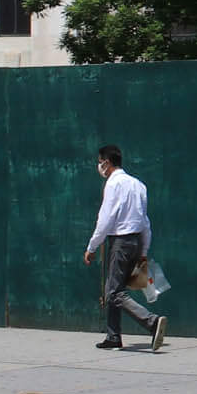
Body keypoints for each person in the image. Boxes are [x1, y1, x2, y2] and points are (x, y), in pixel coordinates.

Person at [83, 144, 167, 352]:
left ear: (107, 163)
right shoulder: (138, 185)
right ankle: (113, 336)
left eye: (100, 161)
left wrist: (92, 246)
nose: (99, 166)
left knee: (114, 293)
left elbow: (106, 219)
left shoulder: (114, 185)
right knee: (112, 287)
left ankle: (152, 322)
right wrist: (144, 251)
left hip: (120, 242)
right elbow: (145, 221)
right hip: (136, 240)